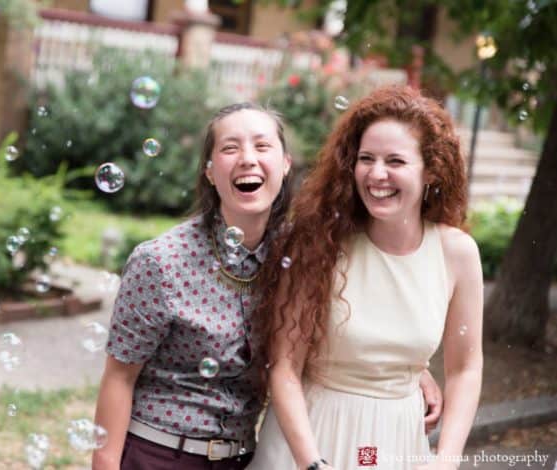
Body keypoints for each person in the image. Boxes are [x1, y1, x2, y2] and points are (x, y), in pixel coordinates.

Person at [92, 102, 443, 470]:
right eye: (230, 148)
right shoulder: (161, 262)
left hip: (244, 458)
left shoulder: (304, 255)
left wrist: (415, 370)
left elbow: (336, 330)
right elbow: (119, 377)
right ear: (210, 172)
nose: (247, 158)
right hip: (158, 455)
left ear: (285, 165)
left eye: (262, 146)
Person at [247, 85, 483, 470]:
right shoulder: (318, 244)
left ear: (431, 170)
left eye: (395, 161)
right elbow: (285, 368)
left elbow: (466, 368)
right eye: (366, 158)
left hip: (397, 442)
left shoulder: (456, 254)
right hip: (309, 439)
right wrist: (312, 464)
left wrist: (446, 459)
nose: (377, 174)